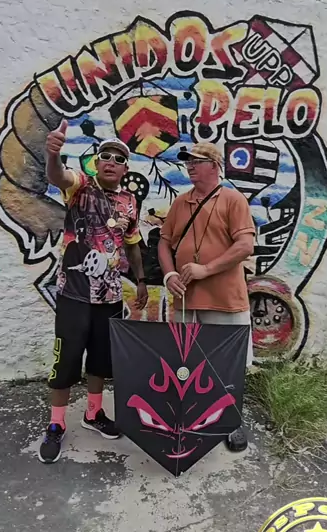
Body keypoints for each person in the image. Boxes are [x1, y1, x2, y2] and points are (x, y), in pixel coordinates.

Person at [39, 121, 148, 463]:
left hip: (110, 295)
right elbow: (57, 176)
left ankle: (93, 413)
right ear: (96, 162)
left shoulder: (130, 201)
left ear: (125, 168)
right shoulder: (80, 186)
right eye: (106, 156)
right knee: (66, 360)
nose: (112, 161)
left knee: (100, 360)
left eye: (119, 158)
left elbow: (132, 243)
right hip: (74, 294)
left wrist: (141, 280)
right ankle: (56, 424)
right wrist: (52, 154)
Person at [158, 142, 255, 451]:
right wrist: (170, 275)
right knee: (186, 364)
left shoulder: (233, 200)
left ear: (214, 165)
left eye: (196, 161)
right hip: (186, 302)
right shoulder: (180, 202)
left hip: (225, 301)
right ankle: (191, 417)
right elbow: (163, 242)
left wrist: (206, 269)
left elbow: (245, 246)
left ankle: (231, 421)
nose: (189, 165)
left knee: (228, 366)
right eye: (187, 161)